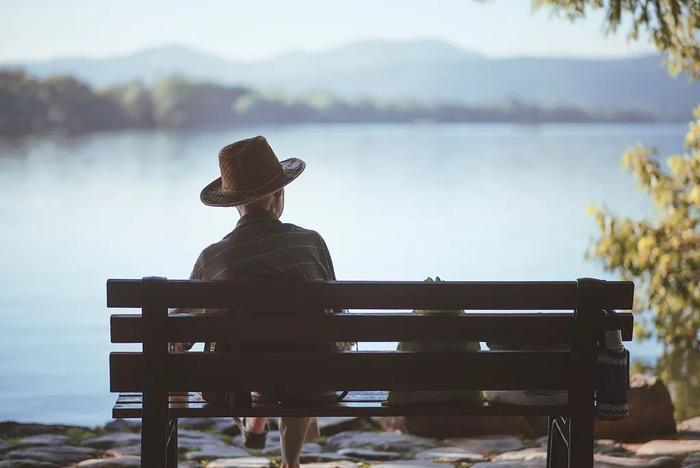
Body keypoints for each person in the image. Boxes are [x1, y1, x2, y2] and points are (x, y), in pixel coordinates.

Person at [171, 135, 351, 468]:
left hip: (234, 386)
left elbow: (180, 332)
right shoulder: (311, 244)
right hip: (312, 380)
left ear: (234, 204)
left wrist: (175, 388)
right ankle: (290, 461)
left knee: (250, 357)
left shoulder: (214, 258)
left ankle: (255, 416)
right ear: (279, 195)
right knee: (301, 356)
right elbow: (337, 316)